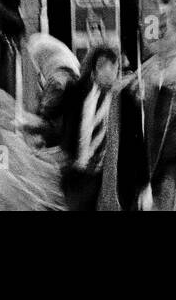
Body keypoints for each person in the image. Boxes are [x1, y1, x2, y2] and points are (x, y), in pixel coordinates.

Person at [58, 44, 148, 211]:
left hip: (113, 178)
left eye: (113, 66)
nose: (108, 71)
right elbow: (61, 126)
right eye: (102, 66)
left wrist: (144, 184)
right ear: (93, 69)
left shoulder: (127, 101)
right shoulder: (76, 92)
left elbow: (138, 143)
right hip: (80, 174)